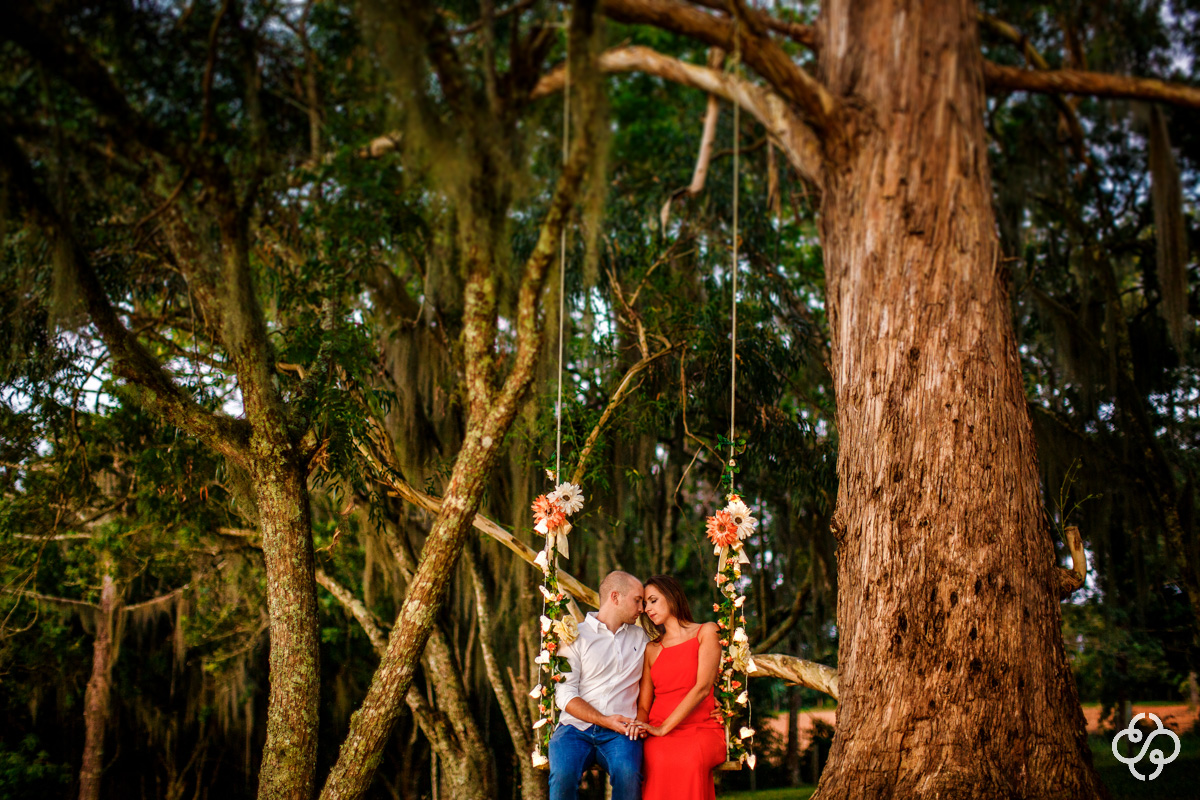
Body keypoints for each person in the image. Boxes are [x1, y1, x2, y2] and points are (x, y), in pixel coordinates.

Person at [550, 570, 649, 800]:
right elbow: (564, 694)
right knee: (562, 776)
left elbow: (668, 672)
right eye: (637, 600)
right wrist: (604, 720)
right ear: (615, 597)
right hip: (574, 729)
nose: (642, 608)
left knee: (629, 774)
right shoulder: (574, 636)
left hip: (622, 732)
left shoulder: (642, 638)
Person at [631, 574, 726, 800]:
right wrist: (642, 727)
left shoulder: (707, 631)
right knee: (656, 758)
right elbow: (644, 705)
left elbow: (703, 687)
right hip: (657, 729)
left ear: (672, 596)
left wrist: (665, 728)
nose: (648, 609)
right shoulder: (651, 649)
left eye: (653, 600)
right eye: (645, 604)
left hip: (701, 727)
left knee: (691, 760)